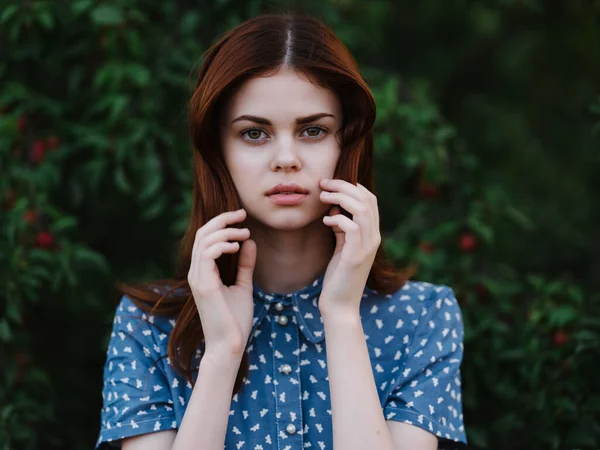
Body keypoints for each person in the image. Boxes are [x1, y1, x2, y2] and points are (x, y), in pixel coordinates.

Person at [95, 12, 467, 450]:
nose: (286, 158)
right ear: (219, 151)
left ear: (345, 143)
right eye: (254, 133)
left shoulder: (422, 317)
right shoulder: (149, 325)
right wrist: (221, 354)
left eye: (313, 130)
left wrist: (342, 315)